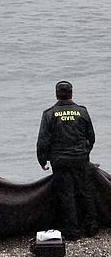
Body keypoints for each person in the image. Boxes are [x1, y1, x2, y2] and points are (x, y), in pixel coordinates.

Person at [37, 81, 98, 239]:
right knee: (86, 193)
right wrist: (85, 152)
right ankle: (91, 227)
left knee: (66, 195)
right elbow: (91, 137)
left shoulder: (49, 114)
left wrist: (42, 160)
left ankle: (72, 231)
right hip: (80, 159)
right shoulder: (82, 112)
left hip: (60, 160)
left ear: (57, 94)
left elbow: (43, 140)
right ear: (71, 93)